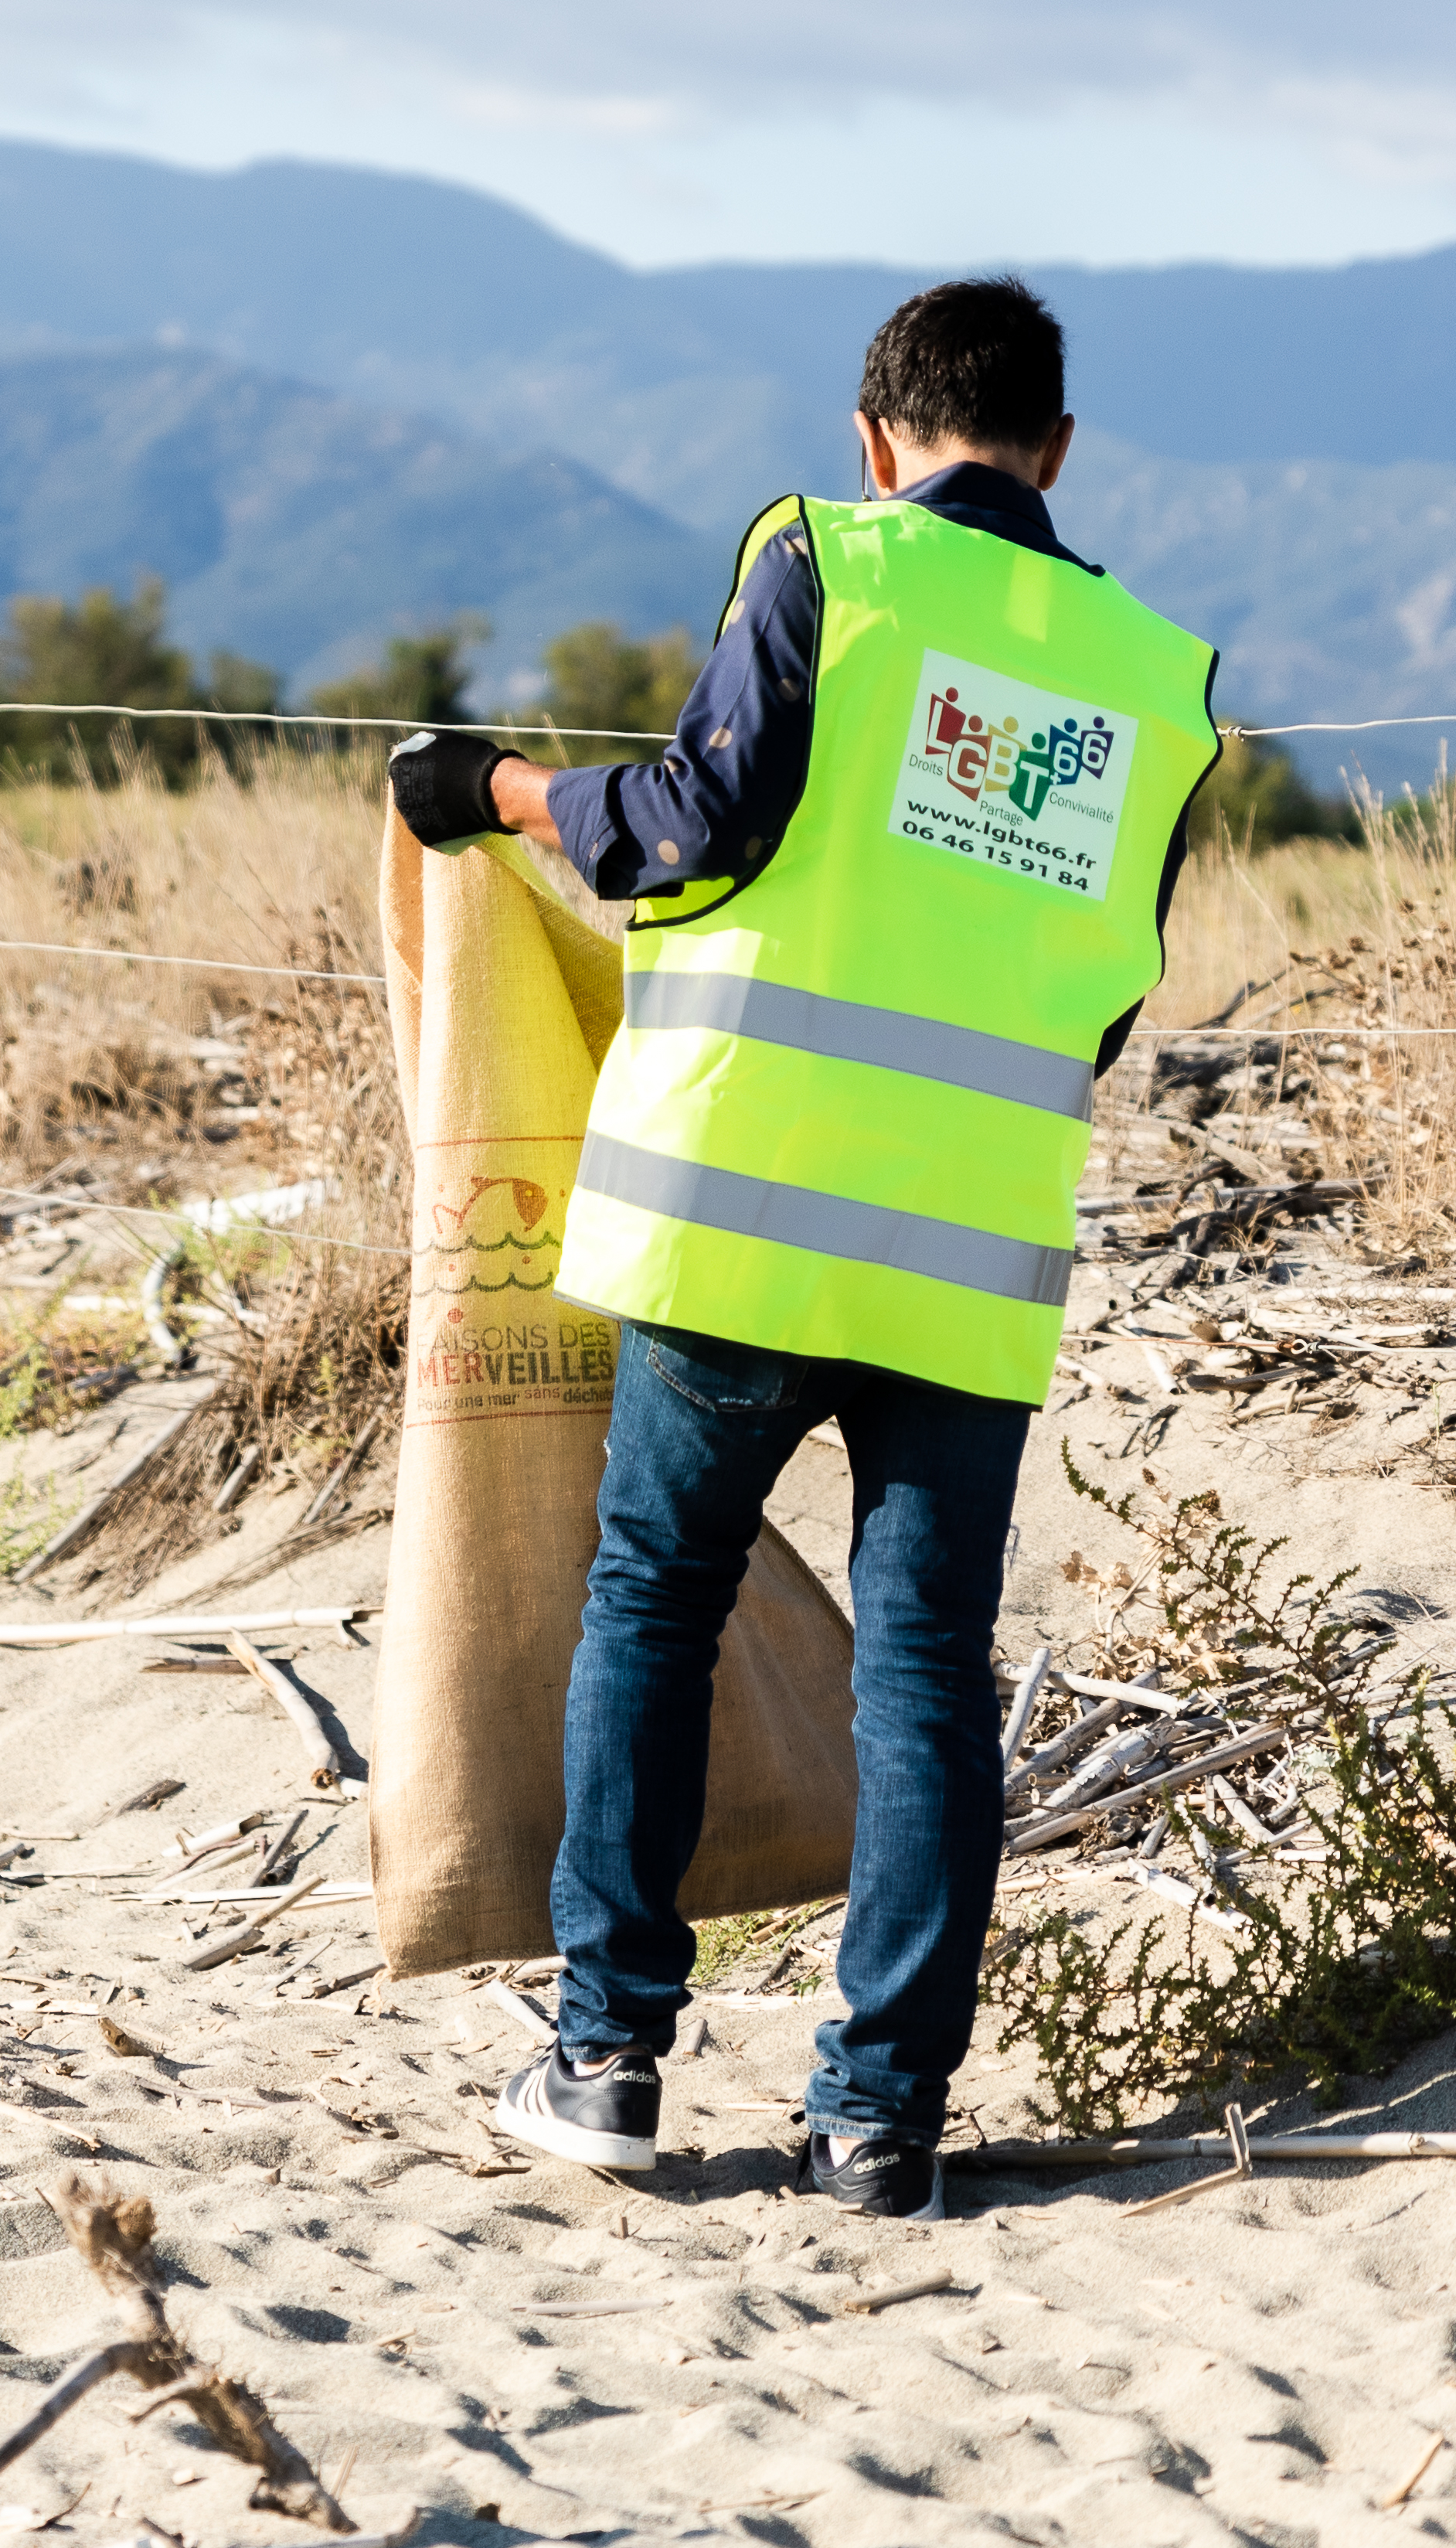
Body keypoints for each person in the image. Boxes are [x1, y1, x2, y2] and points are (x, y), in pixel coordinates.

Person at [383, 276, 1222, 2219]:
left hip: (744, 1211)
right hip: (973, 1244)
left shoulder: (822, 557)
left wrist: (498, 789)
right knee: (925, 1669)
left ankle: (607, 2058)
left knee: (655, 1598)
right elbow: (1100, 1005)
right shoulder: (1154, 679)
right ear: (1061, 453)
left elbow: (688, 825)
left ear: (873, 437)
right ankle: (881, 2123)